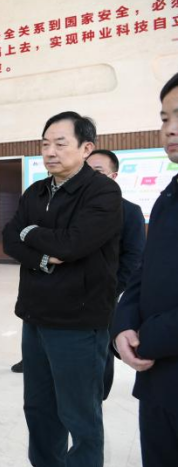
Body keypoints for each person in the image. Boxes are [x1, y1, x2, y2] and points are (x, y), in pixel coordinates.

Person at [3, 112, 122, 467]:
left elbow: (73, 244)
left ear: (86, 148)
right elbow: (9, 238)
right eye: (45, 144)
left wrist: (30, 232)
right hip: (36, 316)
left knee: (80, 416)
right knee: (39, 407)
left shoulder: (102, 192)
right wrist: (42, 254)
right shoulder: (35, 191)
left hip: (79, 321)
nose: (50, 152)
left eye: (60, 143)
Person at [112, 72, 178, 467]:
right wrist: (123, 325)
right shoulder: (170, 193)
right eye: (165, 117)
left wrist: (147, 337)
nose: (170, 128)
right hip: (157, 384)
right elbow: (145, 271)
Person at [86, 149, 146, 400]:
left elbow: (134, 257)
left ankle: (99, 394)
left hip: (106, 293)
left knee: (101, 346)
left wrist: (113, 289)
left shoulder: (130, 211)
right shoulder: (74, 210)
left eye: (98, 171)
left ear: (113, 175)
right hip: (70, 294)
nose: (90, 176)